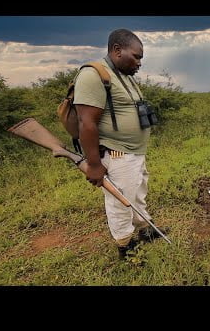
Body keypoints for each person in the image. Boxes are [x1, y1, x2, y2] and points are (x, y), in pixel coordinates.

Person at [73, 29, 169, 260]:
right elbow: (87, 123)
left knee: (137, 194)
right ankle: (125, 245)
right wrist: (94, 165)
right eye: (136, 57)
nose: (139, 63)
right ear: (117, 50)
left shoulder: (122, 75)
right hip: (116, 154)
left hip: (134, 152)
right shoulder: (93, 74)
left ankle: (145, 229)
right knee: (120, 202)